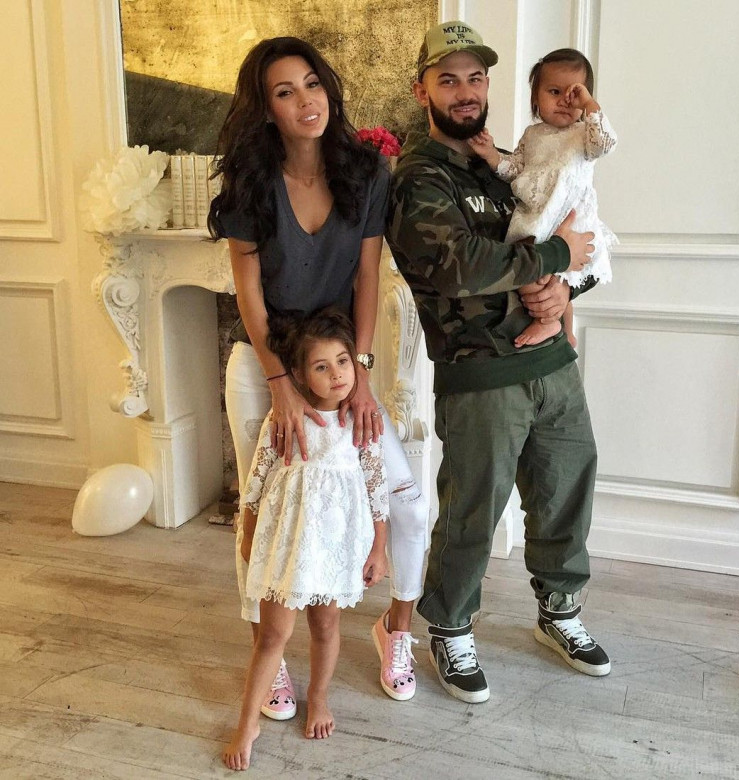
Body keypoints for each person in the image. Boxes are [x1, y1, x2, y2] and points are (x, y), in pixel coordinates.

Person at [385, 20, 612, 704]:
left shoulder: (514, 160)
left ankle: (559, 610)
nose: (465, 92)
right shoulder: (419, 178)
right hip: (481, 372)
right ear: (422, 90)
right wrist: (553, 258)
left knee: (566, 489)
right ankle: (450, 626)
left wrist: (566, 289)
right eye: (448, 79)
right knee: (472, 511)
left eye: (476, 78)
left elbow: (577, 230)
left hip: (552, 365)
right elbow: (458, 266)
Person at [208, 37, 428, 716]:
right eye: (284, 91)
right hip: (265, 363)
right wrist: (279, 380)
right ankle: (269, 656)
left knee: (407, 500)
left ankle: (396, 630)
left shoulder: (365, 171)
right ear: (266, 109)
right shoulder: (250, 182)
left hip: (337, 364)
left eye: (312, 83)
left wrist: (358, 371)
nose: (306, 101)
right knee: (263, 511)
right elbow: (247, 290)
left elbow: (367, 275)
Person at [223, 310, 389, 770]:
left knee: (326, 626)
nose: (337, 374)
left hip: (334, 545)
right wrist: (250, 532)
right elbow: (256, 480)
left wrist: (378, 547)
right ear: (298, 374)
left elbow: (377, 488)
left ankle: (318, 697)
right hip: (288, 546)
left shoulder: (361, 421)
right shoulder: (285, 418)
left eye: (343, 361)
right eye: (322, 366)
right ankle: (247, 724)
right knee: (273, 633)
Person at [468, 47, 617, 348]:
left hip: (570, 219)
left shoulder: (584, 134)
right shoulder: (532, 135)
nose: (565, 100)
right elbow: (516, 169)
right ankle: (563, 328)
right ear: (536, 98)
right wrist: (491, 154)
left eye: (574, 93)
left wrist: (589, 105)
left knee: (561, 277)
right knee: (534, 273)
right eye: (554, 91)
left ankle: (551, 324)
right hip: (537, 215)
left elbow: (605, 142)